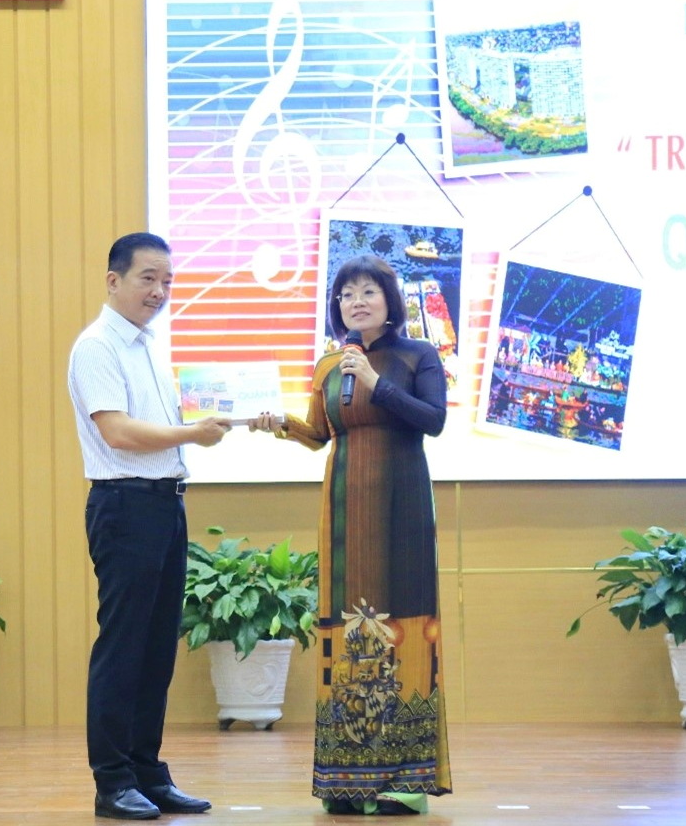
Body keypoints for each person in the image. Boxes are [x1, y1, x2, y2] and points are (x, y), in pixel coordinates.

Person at [250, 254, 452, 816]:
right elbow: (320, 433)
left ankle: (402, 781)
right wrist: (282, 425)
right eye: (345, 294)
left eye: (367, 292)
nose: (355, 302)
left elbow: (433, 420)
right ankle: (347, 778)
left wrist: (374, 382)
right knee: (346, 626)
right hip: (343, 508)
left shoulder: (417, 354)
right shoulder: (328, 365)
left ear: (390, 300)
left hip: (401, 504)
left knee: (402, 622)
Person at [67, 232, 232, 821]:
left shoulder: (149, 346)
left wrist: (231, 417)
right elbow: (118, 432)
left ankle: (146, 773)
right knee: (124, 644)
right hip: (124, 505)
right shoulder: (97, 346)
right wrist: (194, 434)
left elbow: (167, 426)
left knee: (157, 646)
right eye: (148, 278)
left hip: (165, 504)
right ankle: (112, 781)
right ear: (114, 280)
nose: (160, 291)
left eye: (168, 281)